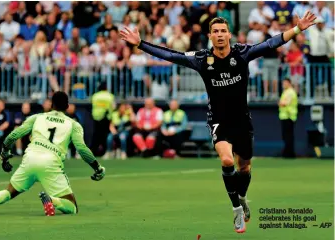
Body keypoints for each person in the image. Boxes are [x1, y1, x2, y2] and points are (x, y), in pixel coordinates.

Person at [120, 12, 317, 233]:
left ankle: (242, 197)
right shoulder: (202, 59)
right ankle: (236, 211)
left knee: (245, 168)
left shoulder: (242, 53)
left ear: (229, 34)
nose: (220, 35)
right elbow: (172, 55)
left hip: (242, 121)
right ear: (210, 36)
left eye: (223, 31)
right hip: (218, 120)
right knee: (226, 160)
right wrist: (140, 44)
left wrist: (298, 29)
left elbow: (271, 43)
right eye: (216, 31)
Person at [0, 92, 106, 216]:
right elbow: (82, 149)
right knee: (72, 206)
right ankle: (52, 200)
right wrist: (97, 168)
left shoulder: (37, 117)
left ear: (51, 104)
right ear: (67, 106)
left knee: (9, 191)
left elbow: (13, 136)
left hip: (30, 159)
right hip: (51, 164)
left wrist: (5, 155)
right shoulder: (73, 124)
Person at [278, 78, 298, 158]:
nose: (284, 84)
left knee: (288, 136)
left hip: (289, 116)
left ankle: (289, 153)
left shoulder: (290, 92)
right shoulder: (286, 92)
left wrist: (280, 103)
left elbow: (285, 103)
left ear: (289, 83)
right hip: (285, 116)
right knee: (286, 136)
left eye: (285, 83)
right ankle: (288, 152)